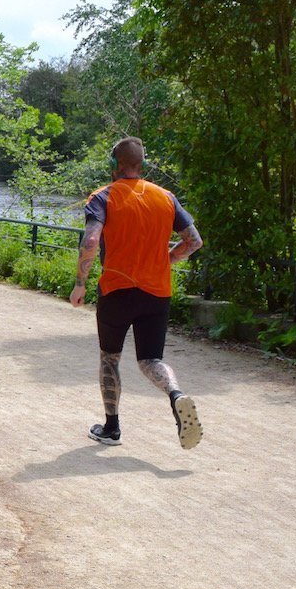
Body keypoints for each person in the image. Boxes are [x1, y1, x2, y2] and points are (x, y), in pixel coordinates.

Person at [70, 137, 205, 449]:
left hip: (117, 290)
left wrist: (80, 283)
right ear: (143, 165)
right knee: (150, 359)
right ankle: (176, 395)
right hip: (156, 292)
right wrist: (168, 258)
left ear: (113, 166)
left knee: (110, 358)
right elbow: (194, 241)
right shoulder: (166, 197)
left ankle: (112, 428)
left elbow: (91, 242)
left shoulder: (103, 197)